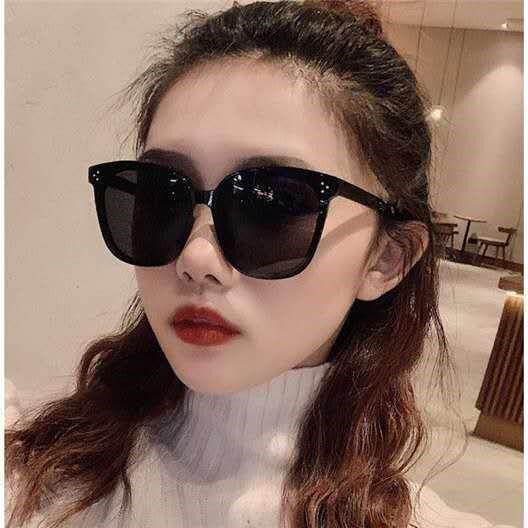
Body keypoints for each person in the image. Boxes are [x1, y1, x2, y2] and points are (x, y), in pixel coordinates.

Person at [4, 1, 516, 527]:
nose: (196, 257)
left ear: (387, 258)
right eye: (162, 195)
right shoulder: (38, 482)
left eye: (274, 204)